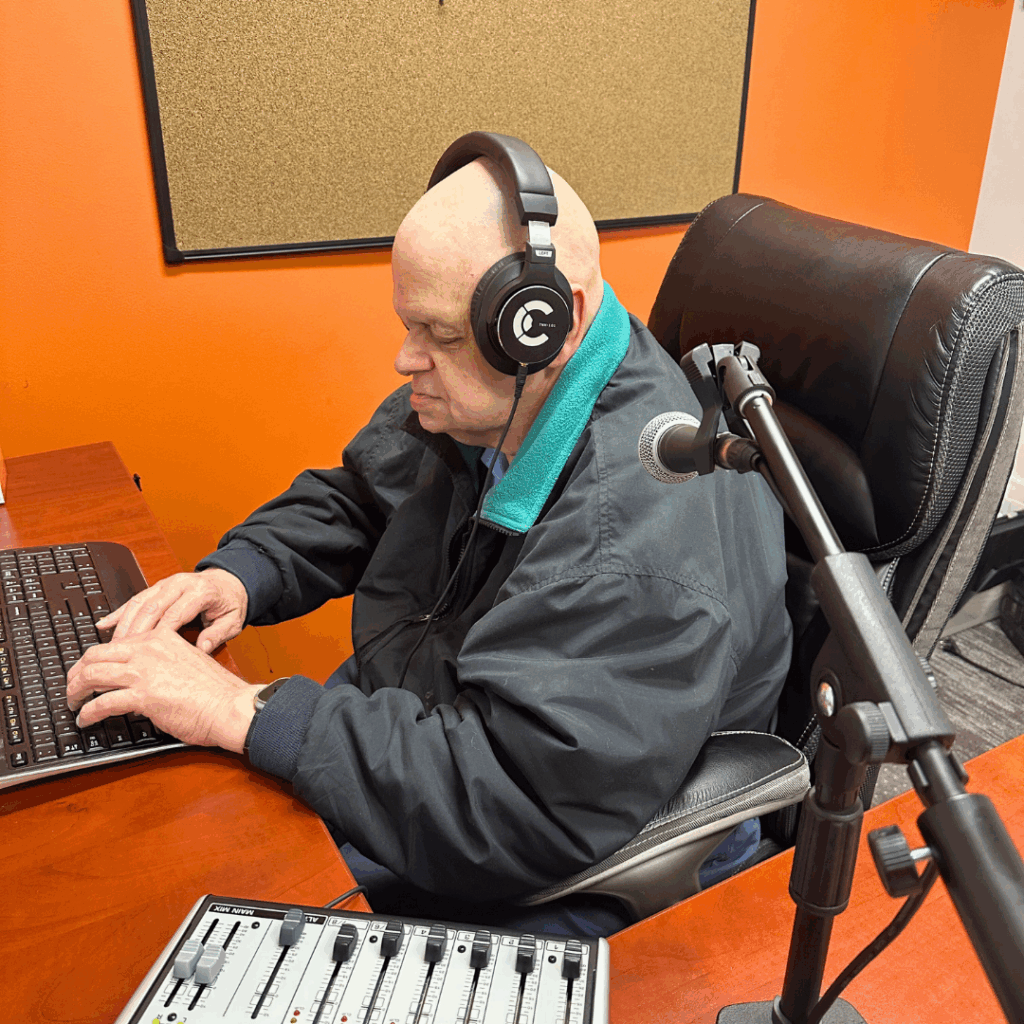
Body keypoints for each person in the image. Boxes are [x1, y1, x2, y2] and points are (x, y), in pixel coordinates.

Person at [67, 135, 791, 934]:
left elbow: (513, 800)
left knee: (186, 913)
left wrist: (245, 710)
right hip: (438, 733)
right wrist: (240, 574)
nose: (406, 358)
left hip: (541, 837)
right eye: (409, 324)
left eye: (439, 336)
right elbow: (365, 495)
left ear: (547, 324)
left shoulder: (624, 547)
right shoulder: (497, 397)